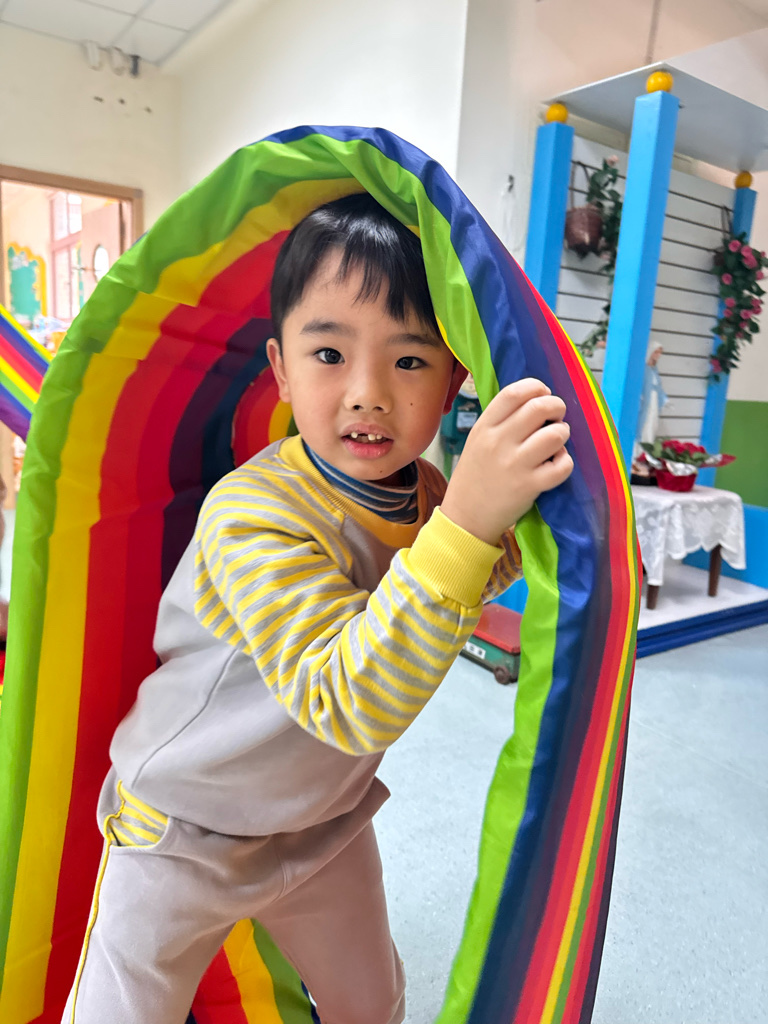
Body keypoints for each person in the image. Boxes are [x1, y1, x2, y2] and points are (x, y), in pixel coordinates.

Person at [62, 194, 573, 1024]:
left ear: (454, 381)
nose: (368, 393)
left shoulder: (430, 497)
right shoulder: (250, 512)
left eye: (410, 361)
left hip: (322, 821)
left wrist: (548, 523)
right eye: (329, 352)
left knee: (372, 1004)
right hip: (182, 827)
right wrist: (471, 522)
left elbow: (464, 579)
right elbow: (347, 698)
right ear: (281, 367)